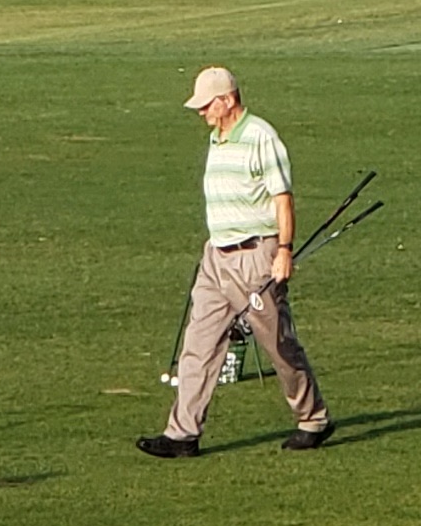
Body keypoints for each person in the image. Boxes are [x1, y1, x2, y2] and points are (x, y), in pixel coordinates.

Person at [141, 67, 330, 460]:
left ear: (227, 100)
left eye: (207, 104)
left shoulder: (261, 137)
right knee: (198, 345)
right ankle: (182, 434)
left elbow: (282, 199)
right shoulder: (217, 137)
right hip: (216, 257)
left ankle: (313, 419)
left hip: (255, 256)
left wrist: (284, 250)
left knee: (279, 346)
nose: (201, 112)